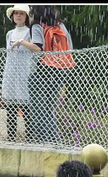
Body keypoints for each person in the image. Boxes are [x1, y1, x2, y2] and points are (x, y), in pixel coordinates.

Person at [19, 6, 74, 144]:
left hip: (40, 72)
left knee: (38, 112)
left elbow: (38, 47)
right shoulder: (60, 25)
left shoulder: (37, 25)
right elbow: (70, 49)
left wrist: (22, 42)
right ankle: (55, 144)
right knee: (49, 110)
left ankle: (42, 144)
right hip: (60, 71)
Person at [2, 5, 33, 142]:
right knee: (10, 109)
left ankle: (30, 138)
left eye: (21, 13)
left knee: (26, 109)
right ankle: (10, 138)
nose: (18, 16)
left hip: (25, 74)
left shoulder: (30, 33)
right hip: (10, 74)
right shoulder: (9, 34)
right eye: (16, 13)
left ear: (26, 17)